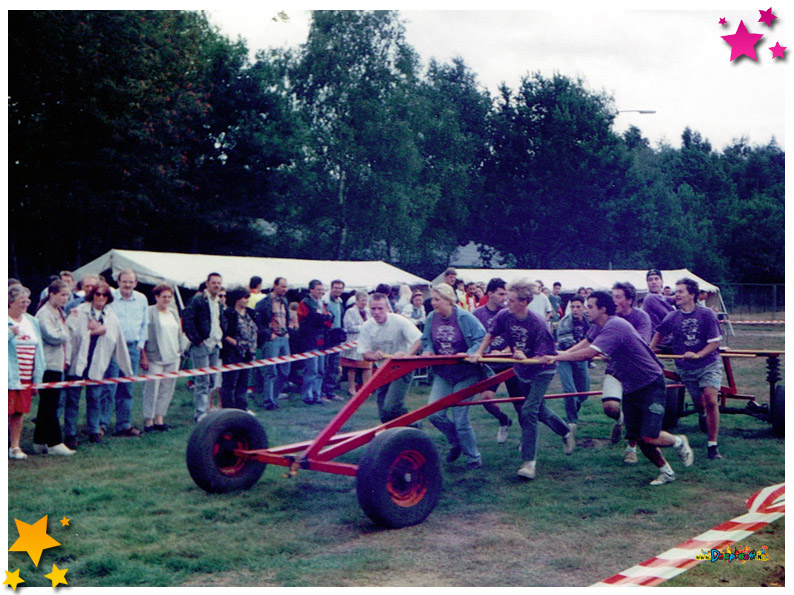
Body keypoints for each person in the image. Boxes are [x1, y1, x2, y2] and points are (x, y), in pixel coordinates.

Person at [543, 291, 694, 486]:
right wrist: (559, 353)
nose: (586, 310)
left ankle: (679, 442)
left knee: (649, 435)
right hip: (631, 386)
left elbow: (588, 353)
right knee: (637, 436)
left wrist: (557, 357)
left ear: (602, 309)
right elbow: (586, 344)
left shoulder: (615, 325)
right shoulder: (600, 326)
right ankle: (666, 472)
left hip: (650, 383)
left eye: (590, 306)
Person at [468, 279, 574, 480]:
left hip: (543, 370)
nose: (507, 303)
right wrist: (479, 352)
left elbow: (545, 358)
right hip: (523, 369)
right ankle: (566, 432)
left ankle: (529, 463)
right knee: (539, 410)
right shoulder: (504, 315)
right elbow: (491, 334)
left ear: (525, 301)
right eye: (507, 298)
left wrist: (526, 359)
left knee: (528, 411)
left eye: (512, 300)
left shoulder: (538, 323)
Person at [408, 283, 486, 470]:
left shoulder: (465, 317)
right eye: (432, 299)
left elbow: (481, 338)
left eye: (437, 299)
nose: (433, 303)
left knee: (460, 418)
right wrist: (427, 350)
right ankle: (456, 442)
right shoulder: (431, 318)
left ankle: (473, 458)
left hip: (466, 374)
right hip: (444, 373)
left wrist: (470, 353)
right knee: (434, 414)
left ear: (449, 300)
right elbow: (426, 339)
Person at [650, 278, 724, 460]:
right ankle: (701, 413)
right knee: (700, 403)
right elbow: (658, 334)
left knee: (711, 400)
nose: (677, 295)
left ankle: (712, 446)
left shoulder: (706, 314)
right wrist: (649, 351)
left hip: (709, 365)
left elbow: (714, 343)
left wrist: (698, 354)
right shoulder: (672, 317)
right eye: (676, 291)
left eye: (681, 291)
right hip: (686, 369)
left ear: (692, 294)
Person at [65, 281, 133, 445]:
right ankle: (70, 433)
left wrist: (127, 369)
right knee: (73, 399)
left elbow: (118, 341)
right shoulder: (79, 312)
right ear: (92, 295)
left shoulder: (111, 316)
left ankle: (94, 431)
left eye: (104, 294)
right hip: (78, 361)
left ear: (108, 297)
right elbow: (69, 334)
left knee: (94, 398)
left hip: (97, 363)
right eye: (98, 294)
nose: (101, 297)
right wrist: (93, 331)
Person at [472, 278, 522, 444]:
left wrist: (506, 351)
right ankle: (503, 420)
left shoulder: (509, 313)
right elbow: (474, 339)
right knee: (487, 399)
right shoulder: (477, 314)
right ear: (490, 294)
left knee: (519, 402)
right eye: (501, 294)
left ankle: (526, 438)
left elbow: (517, 338)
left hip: (510, 363)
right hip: (489, 364)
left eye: (506, 295)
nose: (504, 298)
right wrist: (486, 352)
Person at [358, 292, 422, 422]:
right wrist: (374, 355)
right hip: (383, 369)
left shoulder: (399, 321)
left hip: (403, 368)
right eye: (373, 309)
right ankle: (395, 438)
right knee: (383, 414)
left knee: (391, 407)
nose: (376, 312)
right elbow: (365, 354)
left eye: (380, 308)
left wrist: (406, 355)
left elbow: (420, 339)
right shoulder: (367, 326)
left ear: (388, 308)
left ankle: (415, 427)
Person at [33, 280, 76, 455]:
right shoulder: (44, 313)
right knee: (50, 403)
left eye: (67, 295)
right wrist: (68, 330)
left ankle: (40, 441)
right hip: (47, 364)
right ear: (52, 294)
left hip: (57, 363)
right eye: (62, 295)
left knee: (47, 404)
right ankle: (54, 442)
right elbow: (52, 336)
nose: (65, 298)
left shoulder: (58, 311)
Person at [103, 269, 147, 438]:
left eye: (131, 282)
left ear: (135, 283)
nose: (127, 285)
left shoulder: (141, 299)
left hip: (133, 347)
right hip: (113, 347)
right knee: (110, 386)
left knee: (127, 388)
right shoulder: (111, 297)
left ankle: (124, 425)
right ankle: (102, 425)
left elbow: (144, 324)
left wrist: (140, 345)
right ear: (118, 282)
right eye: (124, 281)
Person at [182, 272, 226, 422]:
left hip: (215, 344)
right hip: (202, 344)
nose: (216, 285)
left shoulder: (219, 302)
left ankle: (206, 409)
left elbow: (220, 321)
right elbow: (187, 320)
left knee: (212, 380)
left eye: (219, 283)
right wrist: (197, 339)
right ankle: (200, 413)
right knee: (202, 380)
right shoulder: (198, 300)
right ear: (207, 284)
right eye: (213, 282)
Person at [8, 284, 46, 460]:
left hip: (26, 376)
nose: (25, 304)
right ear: (10, 302)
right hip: (8, 375)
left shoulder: (32, 321)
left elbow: (38, 350)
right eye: (21, 300)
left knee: (18, 412)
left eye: (27, 300)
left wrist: (37, 377)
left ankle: (15, 446)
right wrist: (9, 333)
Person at [142, 284, 184, 432]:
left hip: (173, 356)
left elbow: (179, 333)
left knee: (167, 388)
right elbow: (143, 335)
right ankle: (149, 420)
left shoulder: (173, 313)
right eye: (163, 296)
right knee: (152, 388)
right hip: (155, 356)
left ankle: (160, 419)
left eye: (169, 296)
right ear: (157, 297)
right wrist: (144, 356)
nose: (166, 299)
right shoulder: (149, 312)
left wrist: (180, 350)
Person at [555, 295, 591, 434]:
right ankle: (571, 422)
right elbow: (567, 344)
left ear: (583, 308)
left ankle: (573, 408)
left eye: (578, 307)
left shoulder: (589, 322)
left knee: (584, 393)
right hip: (564, 357)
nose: (575, 310)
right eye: (572, 307)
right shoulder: (565, 322)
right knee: (569, 390)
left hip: (581, 358)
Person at [219, 286, 258, 411]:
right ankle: (228, 409)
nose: (247, 300)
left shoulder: (251, 313)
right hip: (233, 353)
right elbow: (224, 334)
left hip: (248, 353)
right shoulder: (228, 314)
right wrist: (236, 344)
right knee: (230, 383)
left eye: (248, 297)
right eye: (245, 297)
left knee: (243, 382)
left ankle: (241, 408)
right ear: (237, 299)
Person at [254, 277, 291, 410]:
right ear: (275, 286)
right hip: (272, 339)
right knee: (271, 371)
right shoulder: (264, 303)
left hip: (283, 338)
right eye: (282, 286)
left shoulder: (284, 301)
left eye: (286, 287)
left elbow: (285, 319)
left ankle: (274, 398)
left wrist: (286, 332)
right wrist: (269, 334)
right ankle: (268, 401)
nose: (284, 289)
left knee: (285, 371)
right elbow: (258, 322)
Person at [297, 280, 333, 405]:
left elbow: (327, 317)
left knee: (320, 369)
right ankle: (307, 395)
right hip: (310, 340)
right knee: (311, 369)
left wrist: (324, 317)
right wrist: (324, 317)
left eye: (322, 290)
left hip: (321, 340)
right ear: (311, 290)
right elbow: (312, 318)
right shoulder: (305, 303)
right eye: (318, 289)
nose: (321, 292)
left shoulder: (321, 303)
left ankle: (317, 395)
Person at [341, 290, 372, 397]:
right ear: (357, 300)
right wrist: (364, 327)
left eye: (365, 300)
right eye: (362, 300)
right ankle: (351, 388)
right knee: (352, 367)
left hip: (366, 342)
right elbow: (348, 327)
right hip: (353, 342)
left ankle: (366, 389)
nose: (364, 303)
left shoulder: (368, 312)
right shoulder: (350, 311)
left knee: (367, 366)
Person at [322, 279, 345, 400]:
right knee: (325, 365)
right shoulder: (325, 301)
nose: (338, 290)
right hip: (327, 337)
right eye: (335, 287)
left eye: (340, 288)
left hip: (337, 337)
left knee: (334, 365)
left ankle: (330, 391)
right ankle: (322, 392)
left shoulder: (339, 302)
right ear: (331, 288)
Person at [642, 268, 675, 339]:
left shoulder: (661, 297)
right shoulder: (650, 298)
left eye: (656, 279)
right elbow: (671, 317)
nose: (653, 282)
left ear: (662, 281)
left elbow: (668, 299)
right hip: (659, 342)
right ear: (647, 283)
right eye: (650, 280)